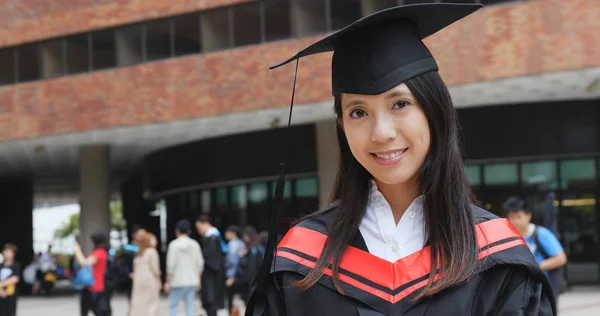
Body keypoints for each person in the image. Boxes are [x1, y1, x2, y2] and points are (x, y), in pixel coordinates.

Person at [244, 3, 556, 316]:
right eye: (358, 112)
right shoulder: (300, 260)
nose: (381, 132)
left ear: (435, 111)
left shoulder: (498, 257)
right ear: (342, 126)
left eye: (400, 104)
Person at [505, 196, 567, 300]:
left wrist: (536, 267)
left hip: (542, 288)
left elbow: (561, 258)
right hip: (518, 290)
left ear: (528, 216)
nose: (515, 221)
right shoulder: (507, 237)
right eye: (512, 217)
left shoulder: (541, 234)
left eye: (519, 217)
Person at [165, 219, 204, 316]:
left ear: (177, 231)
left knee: (173, 305)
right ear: (189, 231)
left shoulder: (173, 245)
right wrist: (198, 280)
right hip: (192, 280)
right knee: (189, 306)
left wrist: (167, 281)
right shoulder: (195, 244)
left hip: (177, 280)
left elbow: (171, 265)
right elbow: (200, 264)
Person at [195, 214, 226, 316]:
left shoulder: (212, 237)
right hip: (214, 275)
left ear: (205, 224)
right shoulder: (214, 236)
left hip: (211, 276)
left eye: (199, 227)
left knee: (211, 302)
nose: (198, 231)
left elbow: (212, 259)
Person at [73, 232, 110, 316]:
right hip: (95, 287)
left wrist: (77, 250)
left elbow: (84, 264)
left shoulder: (99, 253)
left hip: (93, 288)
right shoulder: (101, 252)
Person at [128, 233, 161, 316]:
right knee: (152, 302)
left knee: (138, 302)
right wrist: (159, 280)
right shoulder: (152, 252)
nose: (156, 242)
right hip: (150, 280)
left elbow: (134, 270)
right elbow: (155, 269)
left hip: (138, 281)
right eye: (153, 239)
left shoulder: (139, 254)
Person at [224, 226, 246, 313]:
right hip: (241, 274)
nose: (225, 234)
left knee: (231, 299)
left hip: (232, 275)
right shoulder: (241, 243)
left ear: (232, 233)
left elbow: (234, 261)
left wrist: (232, 276)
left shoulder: (232, 244)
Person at [122, 224, 146, 300]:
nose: (143, 237)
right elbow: (123, 264)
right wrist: (129, 274)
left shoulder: (147, 248)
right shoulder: (128, 249)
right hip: (132, 279)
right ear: (134, 235)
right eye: (140, 235)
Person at [0, 243, 21, 316]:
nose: (7, 254)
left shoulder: (15, 265)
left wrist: (1, 284)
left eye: (9, 252)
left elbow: (15, 278)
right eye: (5, 252)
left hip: (11, 294)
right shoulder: (1, 266)